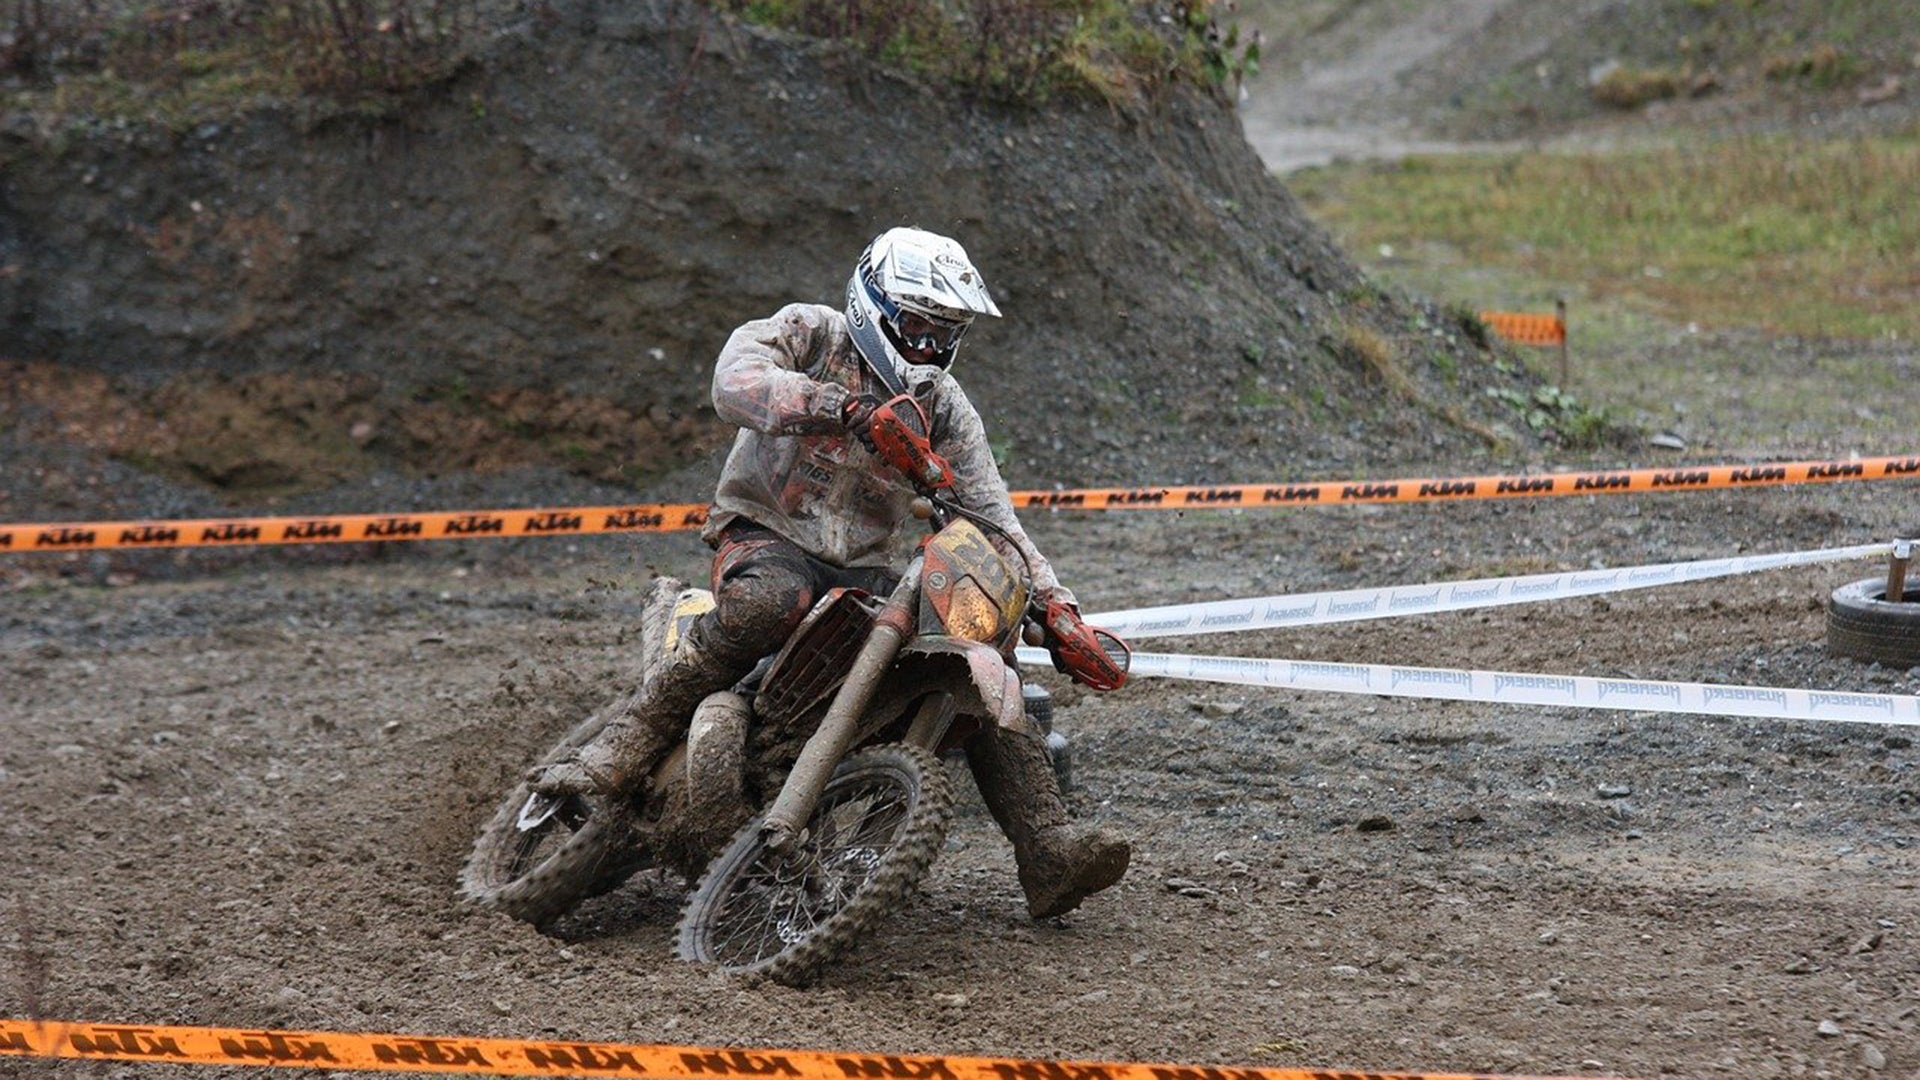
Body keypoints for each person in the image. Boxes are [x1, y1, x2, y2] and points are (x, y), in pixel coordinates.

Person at [532, 226, 1128, 919]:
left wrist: (1056, 610)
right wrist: (841, 408)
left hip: (867, 569)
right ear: (875, 303)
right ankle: (628, 738)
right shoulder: (810, 335)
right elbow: (733, 382)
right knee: (772, 600)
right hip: (764, 533)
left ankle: (1047, 847)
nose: (930, 346)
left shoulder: (943, 406)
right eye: (918, 327)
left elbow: (994, 516)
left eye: (945, 333)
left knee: (978, 654)